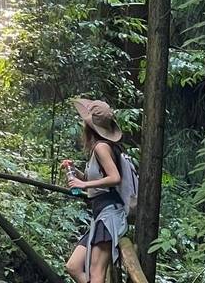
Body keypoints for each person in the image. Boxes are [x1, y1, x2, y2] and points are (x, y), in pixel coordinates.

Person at [60, 98, 128, 283]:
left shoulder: (101, 147)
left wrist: (83, 185)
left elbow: (114, 178)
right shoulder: (101, 147)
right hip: (100, 215)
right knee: (73, 266)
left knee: (96, 274)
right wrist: (76, 173)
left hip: (109, 214)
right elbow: (98, 179)